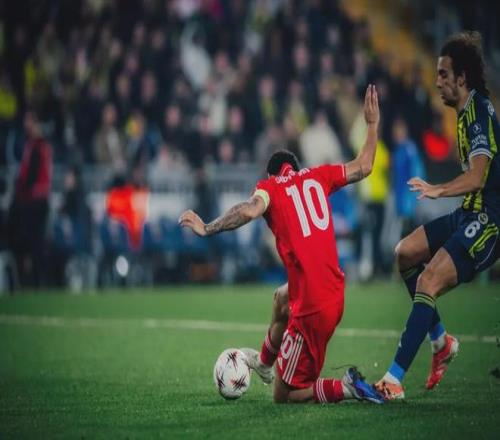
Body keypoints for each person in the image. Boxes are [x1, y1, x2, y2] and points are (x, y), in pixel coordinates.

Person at [179, 85, 383, 404]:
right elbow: (365, 165)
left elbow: (248, 210)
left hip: (313, 308)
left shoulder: (271, 187)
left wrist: (207, 228)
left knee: (285, 396)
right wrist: (372, 124)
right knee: (281, 297)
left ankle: (347, 387)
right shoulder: (318, 176)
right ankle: (263, 363)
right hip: (334, 292)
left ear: (272, 173)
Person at [374, 31, 500, 400]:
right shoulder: (464, 114)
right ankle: (441, 342)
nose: (438, 81)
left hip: (489, 222)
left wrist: (437, 189)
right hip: (468, 214)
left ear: (462, 78)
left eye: (444, 74)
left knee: (428, 281)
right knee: (405, 253)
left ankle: (393, 380)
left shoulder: (477, 113)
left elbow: (477, 177)